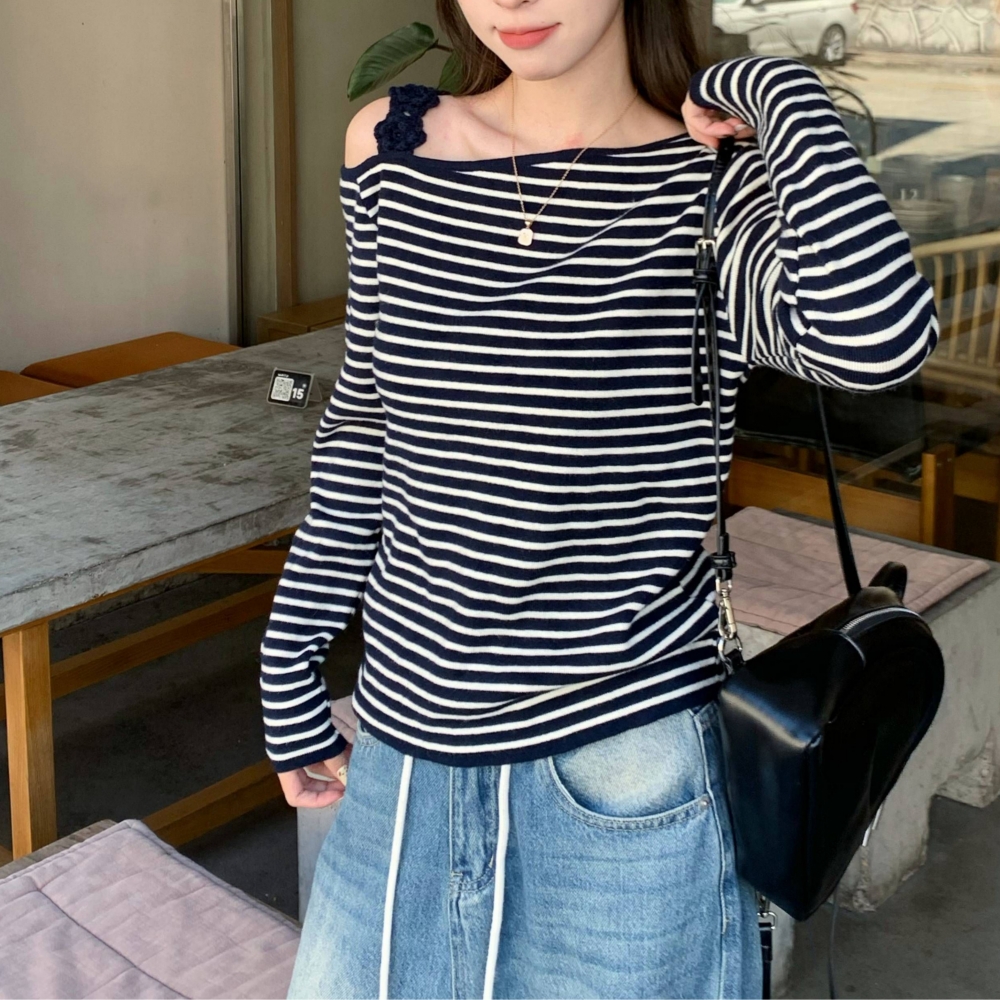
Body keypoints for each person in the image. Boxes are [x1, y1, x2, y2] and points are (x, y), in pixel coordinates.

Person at [259, 0, 939, 996]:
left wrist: (771, 86)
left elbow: (876, 341)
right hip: (404, 753)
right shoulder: (392, 149)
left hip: (624, 765)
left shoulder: (706, 186)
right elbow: (366, 421)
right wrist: (290, 658)